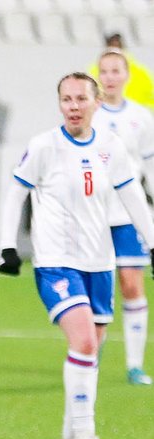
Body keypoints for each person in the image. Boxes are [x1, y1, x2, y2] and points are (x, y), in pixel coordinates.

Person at [0, 73, 154, 439]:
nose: (73, 106)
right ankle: (85, 433)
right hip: (56, 263)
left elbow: (133, 196)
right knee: (84, 341)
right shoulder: (44, 146)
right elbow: (16, 193)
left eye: (81, 99)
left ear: (96, 103)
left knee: (91, 348)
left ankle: (70, 436)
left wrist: (152, 243)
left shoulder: (110, 147)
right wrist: (7, 246)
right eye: (66, 99)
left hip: (99, 263)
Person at [92, 50, 154, 386]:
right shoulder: (90, 113)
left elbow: (150, 165)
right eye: (104, 71)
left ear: (127, 75)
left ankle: (134, 365)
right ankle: (91, 351)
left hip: (129, 213)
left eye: (116, 71)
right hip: (94, 214)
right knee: (98, 287)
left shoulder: (141, 117)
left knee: (131, 284)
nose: (110, 77)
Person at [88, 33, 154, 111]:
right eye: (112, 48)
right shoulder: (94, 72)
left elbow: (151, 98)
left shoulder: (141, 72)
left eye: (118, 47)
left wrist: (142, 112)